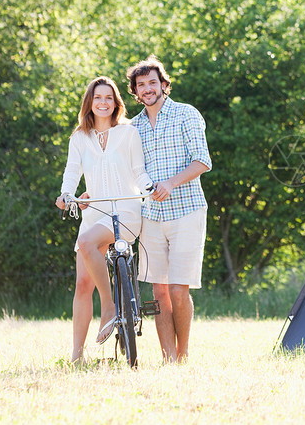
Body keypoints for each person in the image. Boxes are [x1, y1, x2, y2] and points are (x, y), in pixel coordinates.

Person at [55, 76, 152, 364]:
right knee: (83, 284)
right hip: (94, 211)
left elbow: (139, 172)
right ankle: (76, 355)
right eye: (98, 97)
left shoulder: (129, 133)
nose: (103, 102)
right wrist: (66, 194)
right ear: (90, 102)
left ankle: (109, 308)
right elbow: (72, 173)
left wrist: (151, 189)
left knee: (86, 241)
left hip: (126, 210)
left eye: (108, 97)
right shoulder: (79, 137)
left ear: (116, 102)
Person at [126, 55, 211, 362]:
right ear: (135, 92)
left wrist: (171, 183)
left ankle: (184, 354)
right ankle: (168, 359)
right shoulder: (132, 127)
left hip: (186, 211)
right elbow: (124, 171)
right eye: (141, 85)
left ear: (164, 85)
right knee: (159, 292)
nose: (147, 89)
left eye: (152, 83)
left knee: (178, 289)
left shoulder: (185, 114)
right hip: (150, 216)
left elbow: (203, 161)